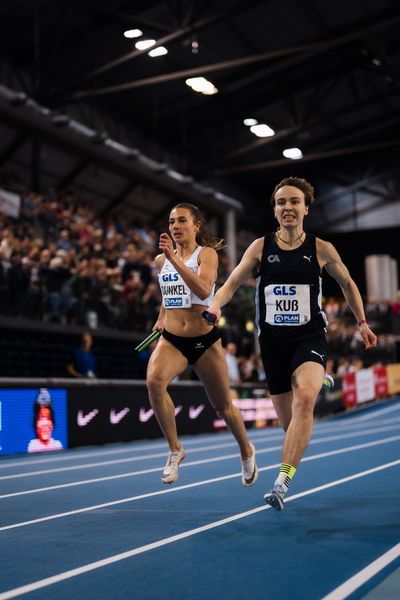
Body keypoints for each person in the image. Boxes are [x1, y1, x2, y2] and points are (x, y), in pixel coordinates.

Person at [207, 177, 377, 510]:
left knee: (304, 399)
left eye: (295, 201)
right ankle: (317, 381)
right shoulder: (260, 247)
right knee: (292, 428)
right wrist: (215, 305)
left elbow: (348, 284)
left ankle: (281, 483)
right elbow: (230, 284)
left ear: (306, 208)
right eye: (282, 202)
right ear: (275, 209)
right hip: (272, 344)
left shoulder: (321, 248)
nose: (288, 207)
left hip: (308, 336)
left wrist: (362, 323)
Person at [147, 202, 258, 485]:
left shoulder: (205, 254)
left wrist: (174, 260)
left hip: (204, 341)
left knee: (223, 407)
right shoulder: (161, 261)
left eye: (181, 221)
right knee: (154, 382)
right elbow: (168, 293)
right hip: (173, 339)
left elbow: (204, 288)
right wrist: (161, 316)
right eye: (171, 221)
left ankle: (246, 451)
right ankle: (175, 450)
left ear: (196, 225)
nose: (175, 226)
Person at [27, 388, 63, 452]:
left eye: (48, 418)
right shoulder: (32, 446)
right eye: (41, 418)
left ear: (52, 425)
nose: (44, 426)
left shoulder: (58, 445)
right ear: (36, 424)